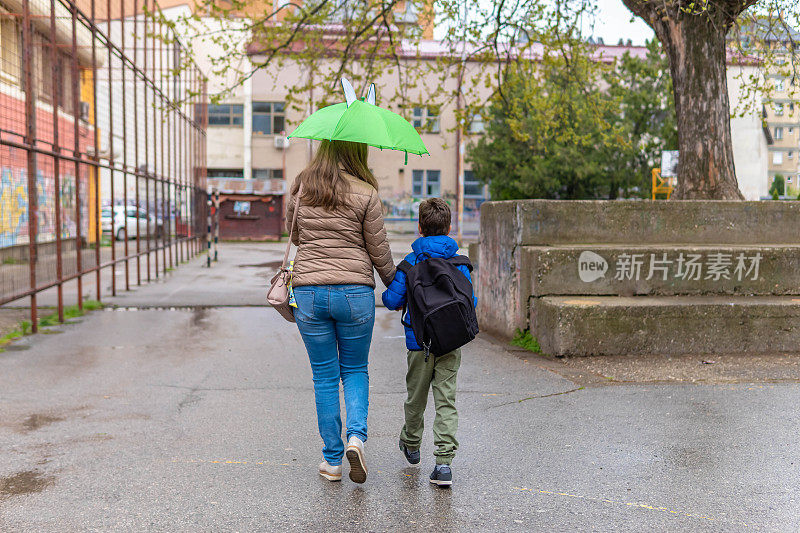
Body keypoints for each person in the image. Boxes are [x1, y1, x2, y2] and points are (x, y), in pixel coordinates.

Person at [287, 140, 395, 484]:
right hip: (355, 293)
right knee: (355, 369)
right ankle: (356, 438)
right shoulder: (366, 192)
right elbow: (378, 250)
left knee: (324, 376)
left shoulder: (303, 186)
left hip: (308, 291)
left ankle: (332, 461)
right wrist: (397, 284)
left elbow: (297, 236)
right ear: (357, 151)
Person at [381, 198, 475, 487]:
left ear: (419, 227)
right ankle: (444, 465)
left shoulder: (410, 264)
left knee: (416, 398)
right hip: (450, 341)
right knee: (446, 400)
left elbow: (390, 300)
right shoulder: (459, 263)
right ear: (449, 228)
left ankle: (411, 445)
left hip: (418, 343)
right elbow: (470, 302)